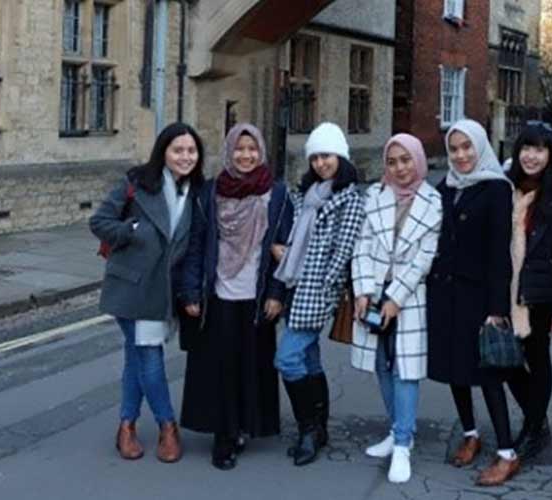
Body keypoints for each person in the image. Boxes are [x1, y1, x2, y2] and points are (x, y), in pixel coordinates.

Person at [178, 123, 293, 470]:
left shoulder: (277, 194)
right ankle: (224, 436)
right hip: (218, 295)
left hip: (256, 297)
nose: (245, 155)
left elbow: (283, 249)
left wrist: (276, 293)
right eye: (239, 149)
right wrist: (190, 291)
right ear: (229, 151)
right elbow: (196, 244)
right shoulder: (210, 192)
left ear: (261, 152)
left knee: (252, 366)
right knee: (220, 367)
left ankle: (245, 424)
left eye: (252, 149)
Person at [89, 122, 206, 464]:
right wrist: (131, 230)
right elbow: (99, 222)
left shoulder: (198, 194)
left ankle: (126, 425)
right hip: (132, 287)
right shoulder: (138, 183)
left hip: (165, 293)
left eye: (191, 151)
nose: (185, 157)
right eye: (178, 150)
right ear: (164, 153)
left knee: (136, 357)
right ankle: (167, 425)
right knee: (149, 356)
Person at [425, 119, 519, 487]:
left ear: (480, 148)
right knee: (454, 371)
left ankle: (508, 453)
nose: (461, 155)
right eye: (454, 148)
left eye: (467, 147)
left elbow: (500, 254)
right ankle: (470, 433)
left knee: (488, 376)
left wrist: (497, 309)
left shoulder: (496, 189)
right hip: (445, 294)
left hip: (479, 298)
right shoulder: (445, 188)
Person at [350, 133, 443, 484]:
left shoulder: (433, 202)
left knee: (405, 367)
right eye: (393, 161)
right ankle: (396, 429)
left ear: (417, 160)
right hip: (374, 290)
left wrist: (395, 298)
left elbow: (424, 258)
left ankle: (404, 442)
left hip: (409, 295)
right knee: (380, 363)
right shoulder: (374, 195)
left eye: (406, 160)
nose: (400, 167)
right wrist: (362, 291)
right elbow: (362, 244)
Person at [272, 122, 366, 466]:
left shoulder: (350, 200)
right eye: (315, 157)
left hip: (316, 292)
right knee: (309, 360)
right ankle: (319, 427)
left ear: (340, 157)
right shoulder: (306, 196)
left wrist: (324, 291)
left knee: (287, 359)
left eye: (327, 156)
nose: (320, 164)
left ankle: (308, 429)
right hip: (295, 287)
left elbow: (342, 255)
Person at [502, 124, 552, 462]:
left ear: (551, 156)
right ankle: (539, 423)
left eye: (540, 149)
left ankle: (533, 429)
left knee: (537, 359)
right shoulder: (504, 191)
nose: (531, 156)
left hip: (539, 294)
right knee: (504, 363)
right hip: (504, 291)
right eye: (526, 148)